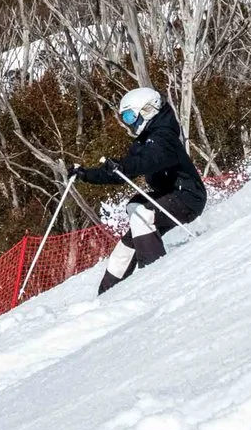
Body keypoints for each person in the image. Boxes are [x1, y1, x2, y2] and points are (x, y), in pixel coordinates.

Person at [73, 86, 207, 293]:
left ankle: (154, 278)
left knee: (141, 213)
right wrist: (86, 174)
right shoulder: (144, 141)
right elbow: (125, 173)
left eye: (130, 116)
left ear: (147, 110)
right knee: (128, 235)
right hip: (167, 197)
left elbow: (149, 161)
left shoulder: (164, 138)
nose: (129, 123)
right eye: (125, 118)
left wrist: (124, 166)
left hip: (188, 196)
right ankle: (106, 294)